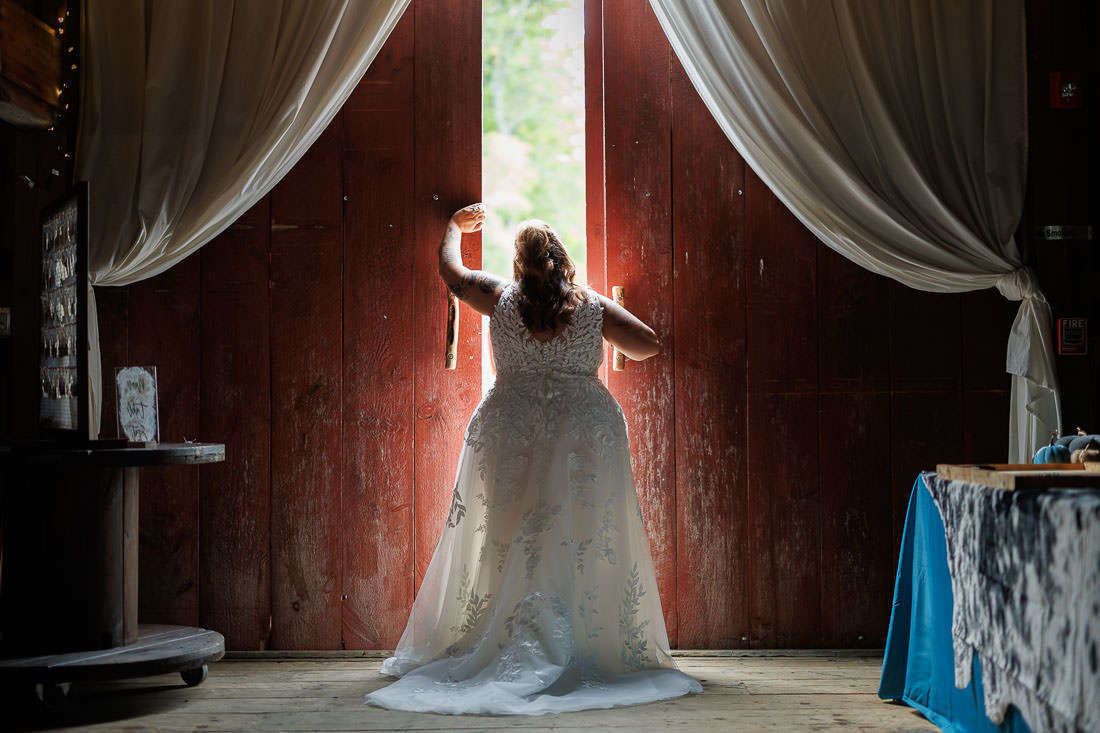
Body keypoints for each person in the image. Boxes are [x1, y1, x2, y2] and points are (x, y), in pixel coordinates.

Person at [365, 203, 703, 715]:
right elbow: (648, 346)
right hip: (583, 427)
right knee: (580, 531)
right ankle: (583, 637)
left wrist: (454, 227)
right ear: (562, 259)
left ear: (519, 265)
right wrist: (600, 333)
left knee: (509, 533)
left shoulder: (498, 298)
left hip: (512, 425)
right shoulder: (591, 307)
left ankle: (509, 633)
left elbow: (451, 273)